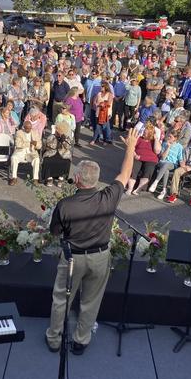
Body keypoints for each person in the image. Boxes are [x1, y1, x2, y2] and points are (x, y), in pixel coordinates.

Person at [45, 128, 140, 355]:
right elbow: (124, 174)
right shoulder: (108, 197)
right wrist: (130, 147)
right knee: (91, 300)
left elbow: (55, 232)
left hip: (72, 259)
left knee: (61, 299)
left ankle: (55, 338)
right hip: (100, 257)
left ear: (77, 179)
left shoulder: (66, 205)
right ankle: (81, 340)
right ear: (96, 181)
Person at [149, 130, 184, 200]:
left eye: (170, 137)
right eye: (168, 136)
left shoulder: (179, 147)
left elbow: (180, 159)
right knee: (166, 168)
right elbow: (163, 157)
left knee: (167, 165)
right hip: (163, 162)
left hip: (173, 164)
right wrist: (168, 147)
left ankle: (156, 182)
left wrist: (183, 167)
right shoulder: (165, 144)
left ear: (175, 138)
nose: (168, 138)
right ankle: (163, 190)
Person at [9, 120, 41, 185]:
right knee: (13, 158)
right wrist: (29, 143)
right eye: (27, 128)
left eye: (30, 128)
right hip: (21, 152)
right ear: (24, 127)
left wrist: (36, 144)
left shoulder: (35, 133)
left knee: (37, 159)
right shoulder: (19, 133)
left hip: (31, 152)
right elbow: (18, 144)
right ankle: (14, 178)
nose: (28, 130)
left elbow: (39, 145)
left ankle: (35, 179)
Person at [42, 121, 73, 186]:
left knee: (66, 161)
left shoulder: (67, 138)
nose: (57, 132)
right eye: (57, 131)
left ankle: (61, 177)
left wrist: (63, 141)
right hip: (51, 153)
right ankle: (49, 177)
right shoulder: (52, 136)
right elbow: (49, 145)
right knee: (48, 160)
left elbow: (68, 147)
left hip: (63, 154)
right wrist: (56, 140)